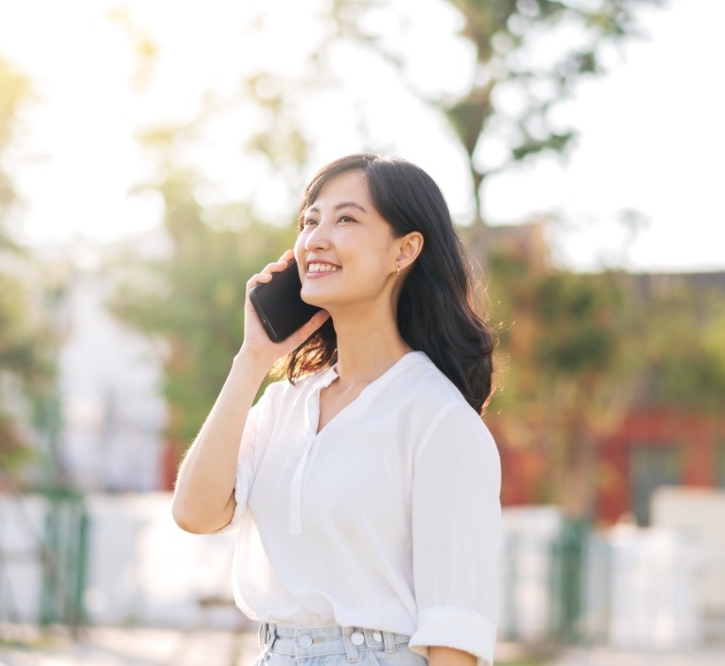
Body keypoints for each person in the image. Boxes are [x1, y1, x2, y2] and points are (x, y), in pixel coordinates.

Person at [172, 154, 502, 665]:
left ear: (404, 250)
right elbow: (194, 512)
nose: (315, 239)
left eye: (346, 219)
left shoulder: (437, 418)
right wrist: (253, 358)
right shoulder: (283, 404)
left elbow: (456, 630)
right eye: (310, 221)